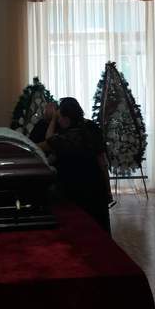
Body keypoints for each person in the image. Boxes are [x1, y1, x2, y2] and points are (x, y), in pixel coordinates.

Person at [38, 97, 113, 234]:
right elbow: (102, 162)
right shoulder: (92, 128)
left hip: (74, 191)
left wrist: (53, 120)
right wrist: (108, 190)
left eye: (59, 117)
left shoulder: (64, 137)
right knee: (98, 232)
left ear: (66, 118)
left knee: (79, 233)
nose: (58, 121)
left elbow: (47, 141)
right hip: (96, 187)